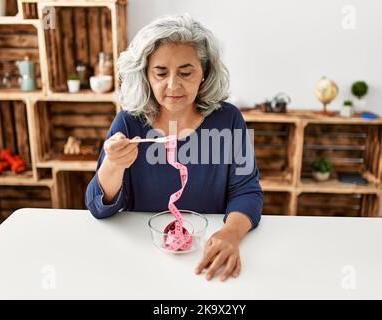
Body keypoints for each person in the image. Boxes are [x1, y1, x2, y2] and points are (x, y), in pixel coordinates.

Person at [85, 13, 263, 282]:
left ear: (204, 72)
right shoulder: (129, 121)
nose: (173, 85)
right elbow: (98, 207)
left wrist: (231, 233)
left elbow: (247, 192)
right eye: (160, 72)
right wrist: (114, 164)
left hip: (205, 254)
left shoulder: (229, 119)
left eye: (186, 72)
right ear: (146, 75)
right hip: (143, 259)